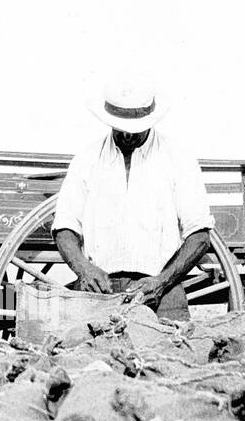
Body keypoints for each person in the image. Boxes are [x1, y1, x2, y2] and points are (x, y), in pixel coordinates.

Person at [51, 78, 214, 322]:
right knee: (86, 356)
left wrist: (161, 282)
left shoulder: (177, 158)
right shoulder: (87, 160)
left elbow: (200, 236)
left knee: (168, 356)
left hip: (162, 292)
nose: (127, 134)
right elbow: (65, 227)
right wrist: (84, 269)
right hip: (99, 292)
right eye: (120, 127)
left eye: (135, 128)